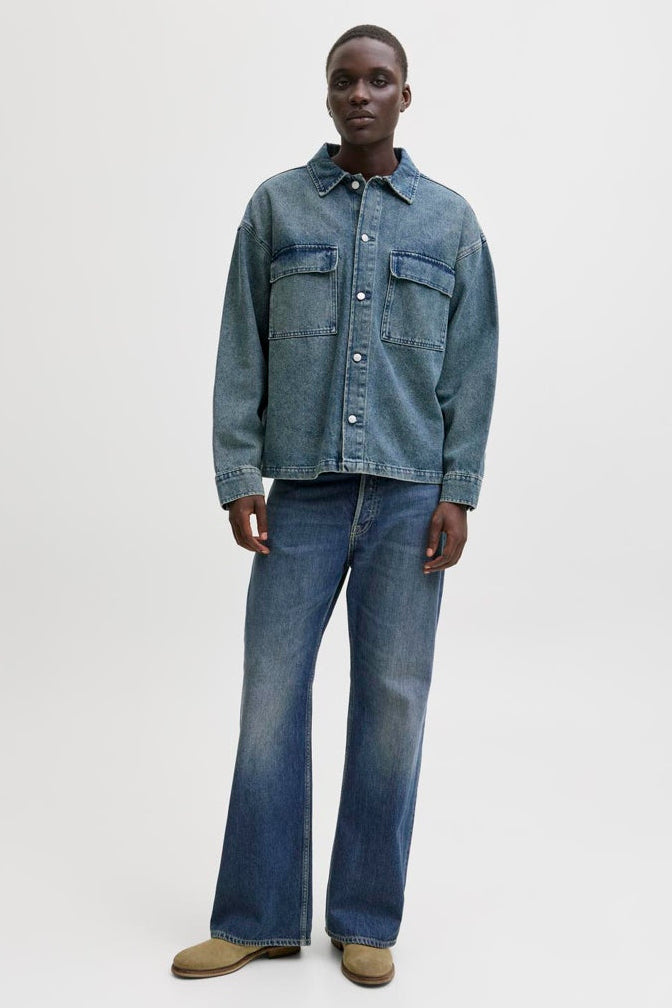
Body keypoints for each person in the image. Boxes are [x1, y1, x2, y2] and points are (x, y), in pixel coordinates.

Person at [171, 23, 498, 988]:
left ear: (405, 95)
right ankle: (259, 917)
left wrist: (459, 491)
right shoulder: (276, 207)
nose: (361, 94)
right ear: (327, 95)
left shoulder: (449, 222)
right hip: (301, 497)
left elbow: (472, 367)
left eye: (379, 80)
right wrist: (239, 473)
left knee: (392, 705)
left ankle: (363, 919)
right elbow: (241, 345)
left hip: (409, 497)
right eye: (344, 80)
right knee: (270, 698)